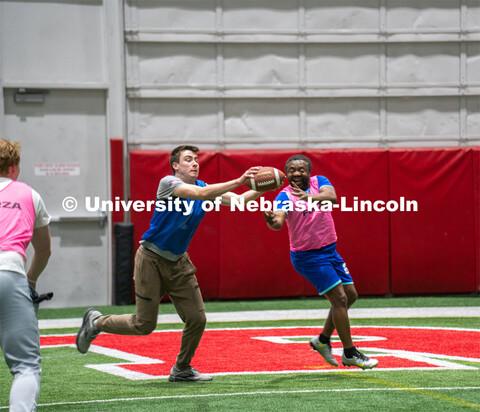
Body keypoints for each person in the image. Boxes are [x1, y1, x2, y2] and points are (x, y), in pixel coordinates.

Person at [76, 145, 264, 382]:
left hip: (178, 262)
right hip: (151, 259)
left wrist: (264, 186)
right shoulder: (169, 184)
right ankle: (97, 322)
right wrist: (239, 179)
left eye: (196, 159)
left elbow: (239, 200)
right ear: (176, 166)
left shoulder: (204, 187)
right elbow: (201, 195)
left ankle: (182, 369)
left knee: (197, 318)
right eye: (188, 160)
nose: (195, 163)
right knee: (144, 325)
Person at [263, 154, 378, 370]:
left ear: (309, 172)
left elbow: (332, 197)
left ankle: (323, 340)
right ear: (286, 174)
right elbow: (278, 221)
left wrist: (308, 198)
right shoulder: (284, 196)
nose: (296, 173)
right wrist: (271, 220)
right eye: (292, 170)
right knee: (340, 299)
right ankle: (350, 353)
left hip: (330, 250)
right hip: (308, 257)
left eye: (301, 169)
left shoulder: (320, 182)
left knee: (350, 296)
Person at [0, 139, 51, 410]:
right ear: (13, 166)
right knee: (26, 367)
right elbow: (44, 251)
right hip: (9, 273)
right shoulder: (27, 194)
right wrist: (30, 280)